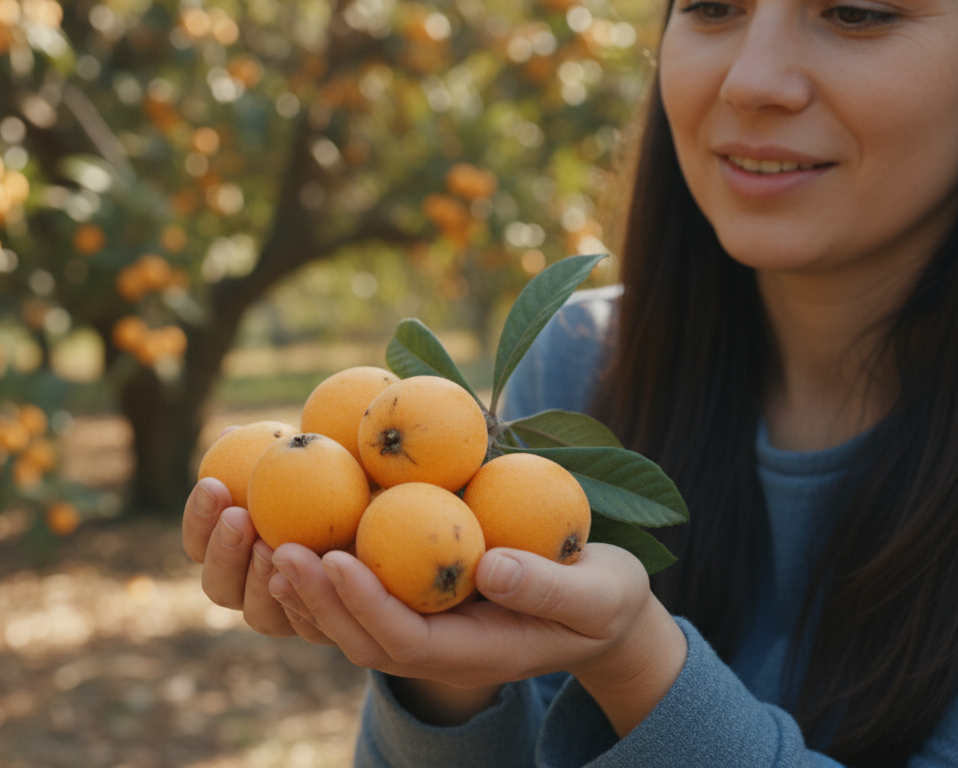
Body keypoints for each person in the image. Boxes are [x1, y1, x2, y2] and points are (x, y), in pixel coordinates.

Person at [182, 0, 958, 763]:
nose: (749, 81)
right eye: (713, 6)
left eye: (857, 13)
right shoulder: (580, 365)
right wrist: (447, 681)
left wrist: (637, 663)